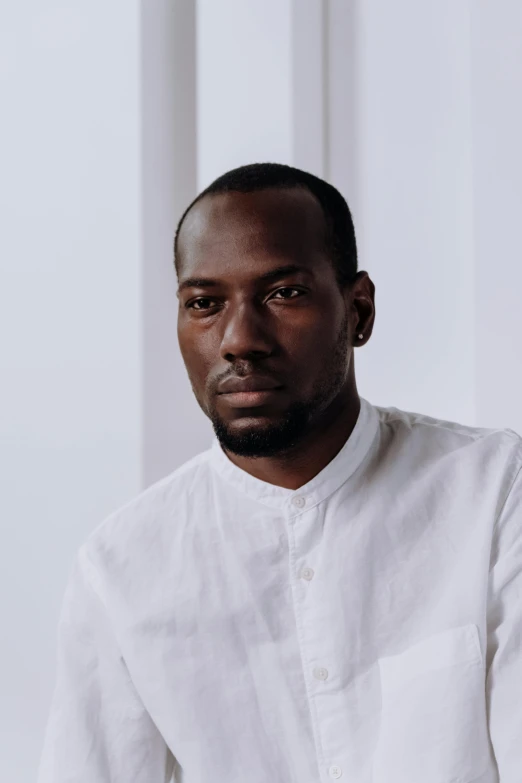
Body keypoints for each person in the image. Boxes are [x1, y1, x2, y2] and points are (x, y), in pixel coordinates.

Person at [37, 163, 522, 783]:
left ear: (359, 311)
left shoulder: (492, 492)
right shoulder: (121, 569)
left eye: (282, 293)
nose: (240, 340)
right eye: (205, 304)